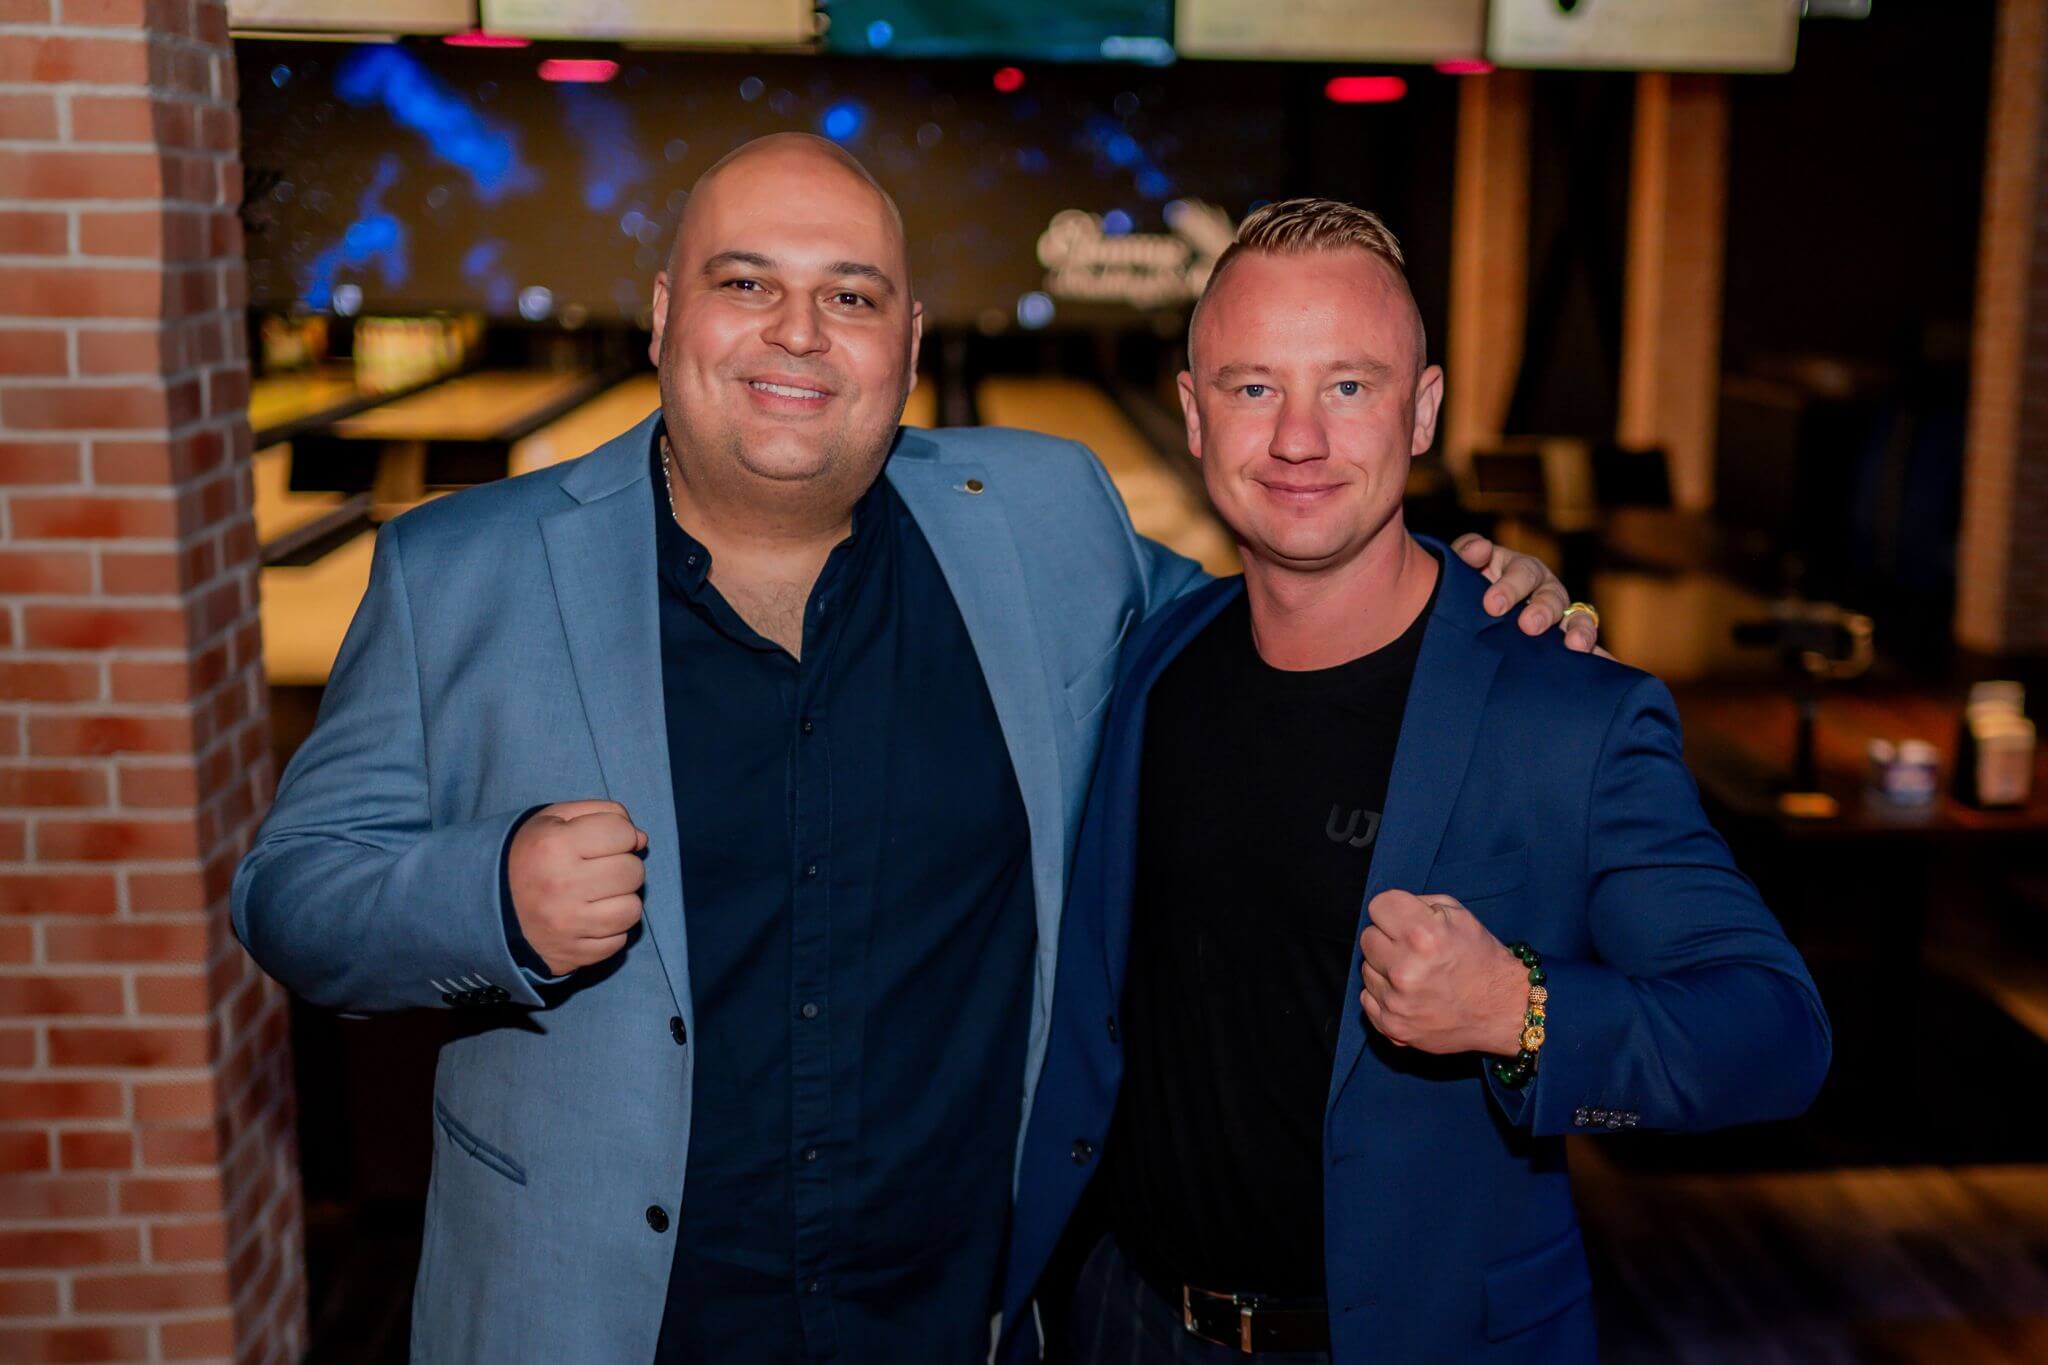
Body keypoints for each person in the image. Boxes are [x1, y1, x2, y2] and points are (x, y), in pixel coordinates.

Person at [231, 140, 1589, 1362]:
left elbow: (1280, 627)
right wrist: (491, 897)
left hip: (960, 1321)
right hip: (610, 1319)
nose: (799, 332)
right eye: (746, 283)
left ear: (910, 338)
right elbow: (291, 892)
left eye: (852, 294)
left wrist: (1472, 600)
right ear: (661, 312)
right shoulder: (458, 571)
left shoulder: (1044, 523)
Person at [1001, 200, 1831, 1364]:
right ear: (1190, 414)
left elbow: (1776, 1038)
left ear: (1423, 409)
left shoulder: (1568, 714)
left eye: (1347, 386)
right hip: (1124, 1320)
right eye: (1252, 387)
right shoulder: (1155, 654)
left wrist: (1519, 1013)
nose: (1297, 439)